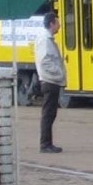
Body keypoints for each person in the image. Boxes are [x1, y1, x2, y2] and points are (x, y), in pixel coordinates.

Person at [34, 11, 66, 154]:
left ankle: (47, 143)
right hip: (50, 81)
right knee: (48, 114)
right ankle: (45, 144)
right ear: (52, 23)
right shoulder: (45, 40)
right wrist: (58, 73)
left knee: (50, 114)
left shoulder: (48, 39)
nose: (59, 25)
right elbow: (44, 62)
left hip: (51, 81)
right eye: (58, 22)